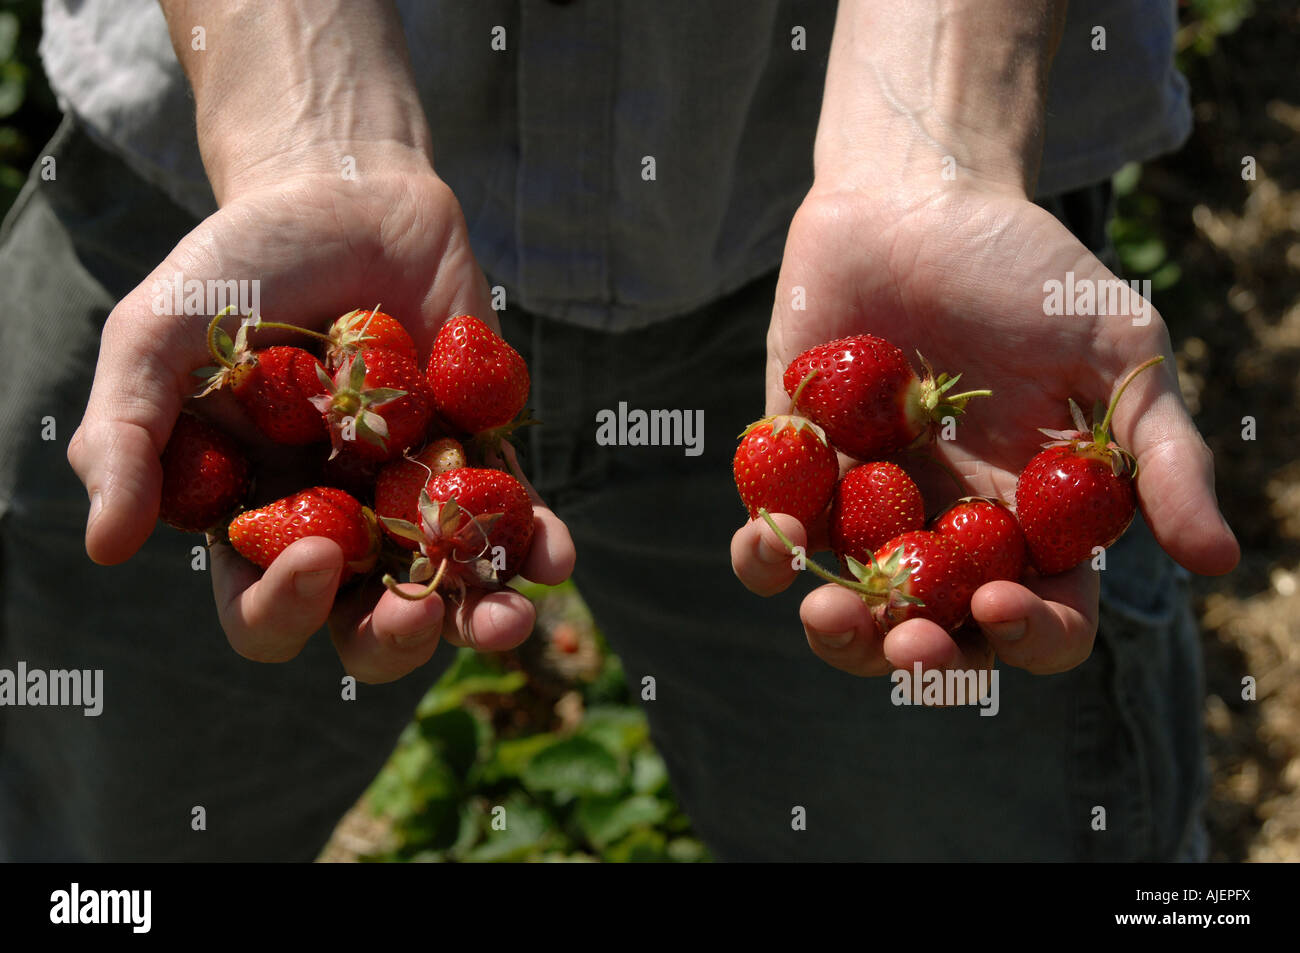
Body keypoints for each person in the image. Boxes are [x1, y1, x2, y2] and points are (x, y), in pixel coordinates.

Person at [0, 0, 1238, 861]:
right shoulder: (308, 376)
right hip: (221, 200)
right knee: (86, 857)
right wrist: (303, 144)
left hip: (883, 259)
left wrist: (939, 149)